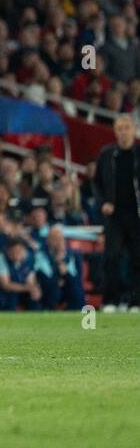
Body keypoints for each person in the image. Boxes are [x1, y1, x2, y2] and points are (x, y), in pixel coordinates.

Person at [92, 113, 140, 311]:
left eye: (126, 128)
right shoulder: (106, 154)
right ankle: (111, 300)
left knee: (138, 258)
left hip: (137, 215)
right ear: (115, 131)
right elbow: (96, 183)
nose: (123, 132)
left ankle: (136, 301)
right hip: (115, 215)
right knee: (112, 257)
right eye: (119, 128)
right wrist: (103, 202)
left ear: (134, 130)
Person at [0, 238, 42, 310]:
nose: (17, 253)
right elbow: (5, 285)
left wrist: (34, 289)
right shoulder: (1, 257)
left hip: (21, 289)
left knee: (33, 298)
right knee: (8, 298)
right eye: (14, 251)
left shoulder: (28, 258)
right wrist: (28, 288)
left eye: (20, 250)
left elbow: (30, 280)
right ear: (8, 251)